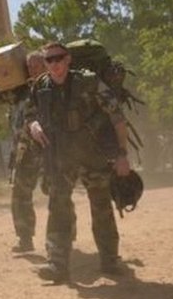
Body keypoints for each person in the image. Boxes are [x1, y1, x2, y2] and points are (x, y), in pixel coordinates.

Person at [27, 42, 132, 283]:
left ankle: (109, 259)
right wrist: (33, 125)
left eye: (59, 58)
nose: (54, 64)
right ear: (45, 64)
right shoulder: (41, 87)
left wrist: (122, 154)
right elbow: (30, 114)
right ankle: (57, 264)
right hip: (61, 157)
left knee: (101, 206)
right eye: (49, 60)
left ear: (68, 59)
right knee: (58, 206)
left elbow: (117, 118)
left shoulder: (89, 82)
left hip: (93, 153)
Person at [0, 50, 46, 253]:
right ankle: (25, 238)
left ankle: (63, 236)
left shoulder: (55, 88)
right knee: (19, 195)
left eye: (38, 65)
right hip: (24, 152)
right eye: (30, 66)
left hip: (50, 151)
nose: (33, 69)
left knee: (58, 193)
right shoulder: (19, 92)